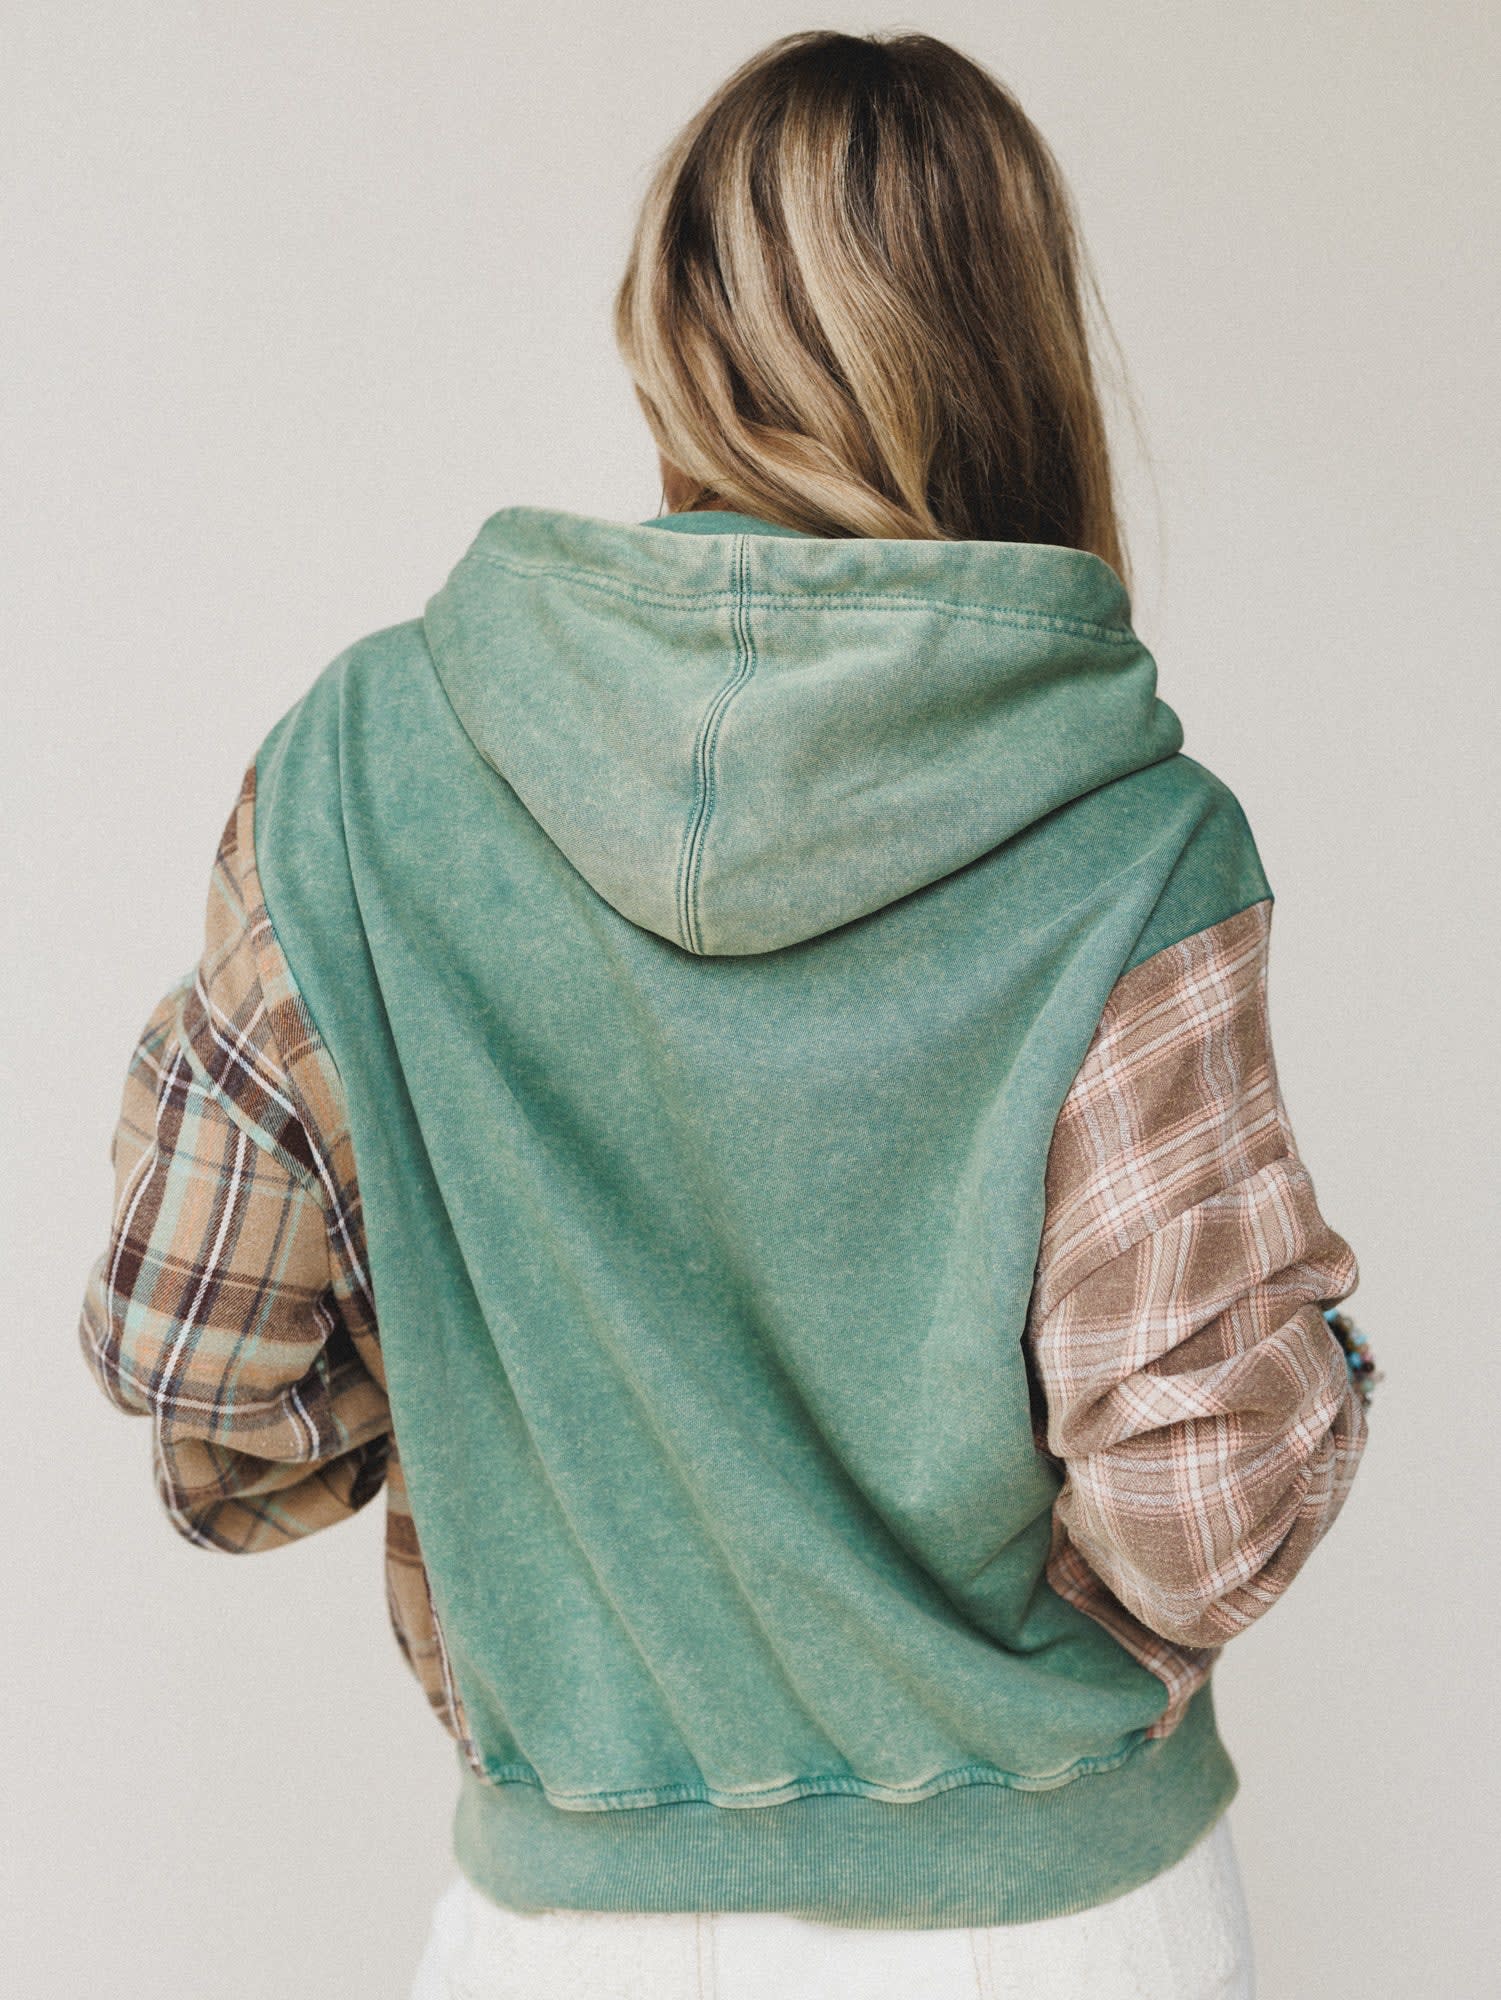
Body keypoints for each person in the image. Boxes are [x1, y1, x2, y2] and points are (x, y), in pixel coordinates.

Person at [77, 28, 1381, 2000]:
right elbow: (1195, 1516)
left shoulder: (360, 770)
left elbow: (199, 1364)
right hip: (1052, 1925)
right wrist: (1326, 1367)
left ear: (666, 336)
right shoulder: (1129, 834)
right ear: (1013, 353)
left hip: (561, 1932)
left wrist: (511, 1381)